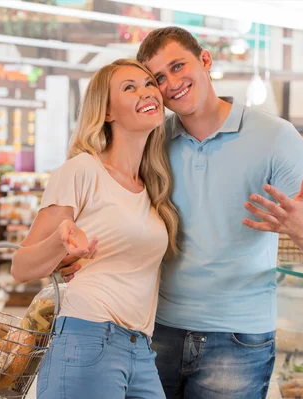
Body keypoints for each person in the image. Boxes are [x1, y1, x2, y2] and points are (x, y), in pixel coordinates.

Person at [59, 27, 303, 399]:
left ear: (205, 60)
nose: (172, 83)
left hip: (237, 339)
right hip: (153, 330)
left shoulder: (276, 137)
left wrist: (301, 226)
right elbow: (114, 209)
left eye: (179, 67)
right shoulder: (152, 141)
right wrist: (69, 252)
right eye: (159, 78)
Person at [11, 58, 179, 399]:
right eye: (129, 87)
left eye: (149, 84)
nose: (146, 92)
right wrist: (61, 245)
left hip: (141, 348)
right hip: (88, 336)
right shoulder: (82, 170)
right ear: (106, 112)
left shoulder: (152, 187)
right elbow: (20, 266)